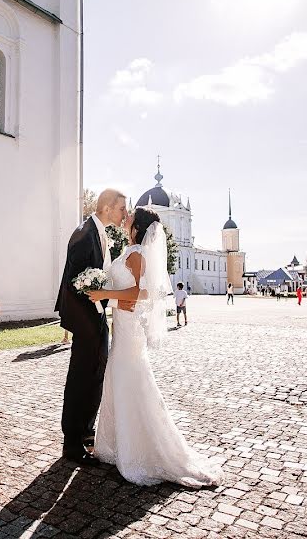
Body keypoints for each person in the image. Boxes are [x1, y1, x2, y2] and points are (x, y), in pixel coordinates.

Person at [86, 207, 221, 487]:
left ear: (139, 225)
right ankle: (115, 445)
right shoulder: (130, 250)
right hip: (122, 324)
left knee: (128, 379)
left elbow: (140, 293)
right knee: (119, 380)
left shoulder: (137, 255)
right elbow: (131, 291)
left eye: (131, 217)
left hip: (129, 328)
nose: (126, 219)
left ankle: (139, 451)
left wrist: (103, 294)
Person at [55, 188, 129, 466]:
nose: (124, 214)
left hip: (97, 316)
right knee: (80, 378)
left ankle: (87, 432)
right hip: (85, 317)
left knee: (96, 373)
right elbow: (75, 281)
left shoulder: (101, 233)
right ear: (108, 207)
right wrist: (90, 316)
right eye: (122, 208)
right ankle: (71, 442)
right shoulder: (83, 233)